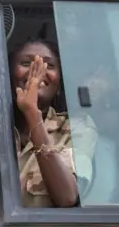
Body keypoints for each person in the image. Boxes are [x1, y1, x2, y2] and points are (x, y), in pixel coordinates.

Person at [9, 38, 97, 207]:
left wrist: (32, 113)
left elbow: (67, 197)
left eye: (49, 66)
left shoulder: (75, 127)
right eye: (26, 63)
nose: (38, 72)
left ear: (59, 85)